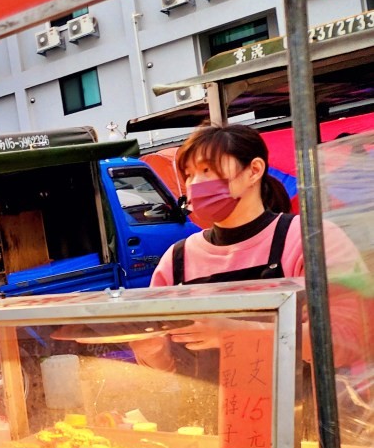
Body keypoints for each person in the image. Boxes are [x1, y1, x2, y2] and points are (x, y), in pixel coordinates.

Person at [135, 123, 366, 373]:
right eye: (189, 174)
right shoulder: (177, 258)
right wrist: (152, 351)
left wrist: (237, 334)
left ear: (254, 170)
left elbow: (352, 335)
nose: (194, 184)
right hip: (207, 409)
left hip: (301, 408)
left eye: (207, 170)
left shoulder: (310, 239)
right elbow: (170, 369)